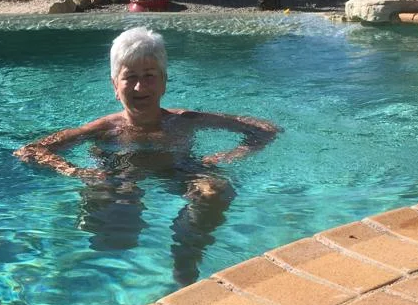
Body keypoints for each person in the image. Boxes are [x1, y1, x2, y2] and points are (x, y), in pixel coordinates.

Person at [14, 26, 280, 285]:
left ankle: (188, 251)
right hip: (120, 175)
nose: (140, 87)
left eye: (150, 75)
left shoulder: (183, 121)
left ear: (164, 82)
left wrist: (226, 156)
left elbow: (265, 129)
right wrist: (78, 172)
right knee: (112, 224)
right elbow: (30, 150)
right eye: (130, 77)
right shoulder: (104, 129)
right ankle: (101, 275)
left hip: (179, 169)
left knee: (215, 190)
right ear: (115, 86)